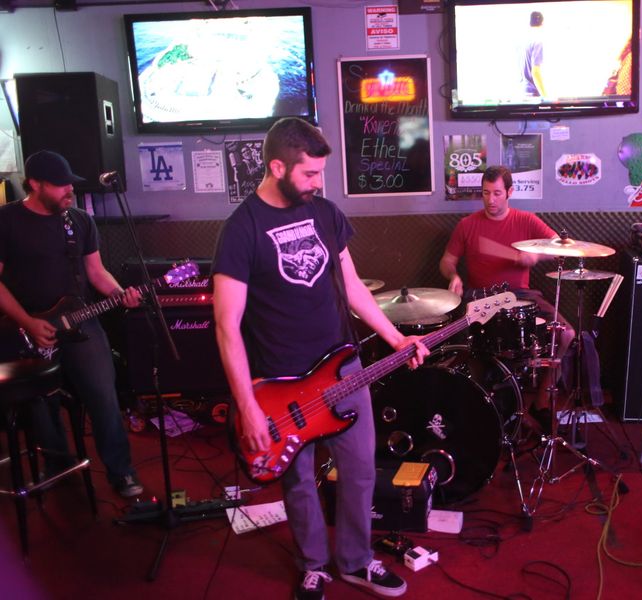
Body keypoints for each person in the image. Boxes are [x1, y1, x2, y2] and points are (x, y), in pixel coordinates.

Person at [212, 117, 428, 600]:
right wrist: (247, 406)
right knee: (299, 481)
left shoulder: (325, 213)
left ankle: (356, 561)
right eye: (309, 174)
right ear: (277, 167)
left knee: (361, 471)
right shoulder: (241, 230)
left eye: (320, 173)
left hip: (343, 368)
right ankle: (313, 565)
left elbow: (352, 286)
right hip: (281, 382)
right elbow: (226, 327)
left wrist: (396, 338)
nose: (318, 183)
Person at [0, 150, 145, 498]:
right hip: (25, 328)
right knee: (40, 401)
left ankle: (121, 471)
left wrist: (119, 293)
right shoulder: (6, 221)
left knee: (103, 394)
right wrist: (28, 323)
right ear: (35, 184)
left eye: (71, 183)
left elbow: (96, 272)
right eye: (60, 184)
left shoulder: (79, 221)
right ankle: (57, 464)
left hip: (80, 322)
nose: (70, 190)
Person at [439, 165, 574, 430]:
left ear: (510, 192)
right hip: (480, 297)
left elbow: (561, 248)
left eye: (497, 193)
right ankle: (483, 409)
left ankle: (541, 403)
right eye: (486, 193)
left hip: (520, 296)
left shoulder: (526, 220)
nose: (491, 200)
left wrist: (536, 255)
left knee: (566, 334)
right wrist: (453, 276)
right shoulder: (467, 225)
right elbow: (447, 260)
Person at [522, 11, 546, 97]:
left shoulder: (525, 40)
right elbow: (535, 72)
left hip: (524, 91)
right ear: (542, 23)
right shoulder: (538, 41)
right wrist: (545, 97)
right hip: (534, 94)